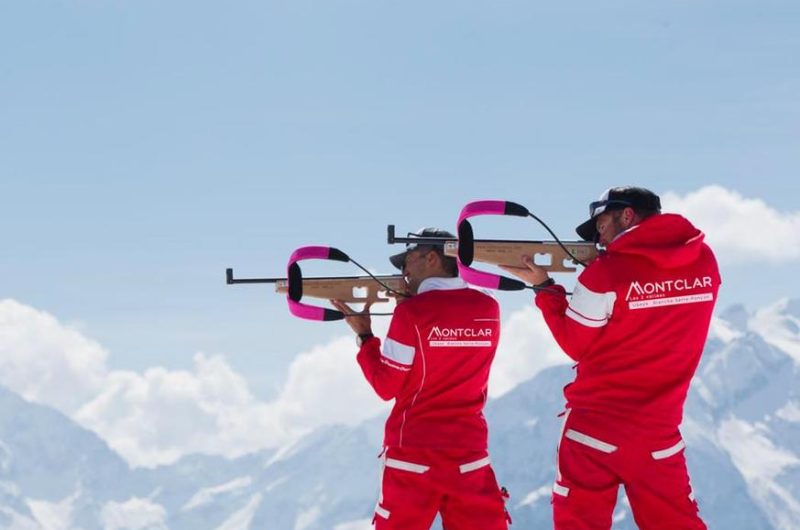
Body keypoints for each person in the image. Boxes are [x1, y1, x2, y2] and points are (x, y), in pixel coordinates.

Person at [500, 187, 720, 530]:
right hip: (659, 432)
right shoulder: (704, 260)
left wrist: (545, 288)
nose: (599, 238)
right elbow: (655, 314)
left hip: (594, 430)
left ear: (626, 215)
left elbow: (575, 343)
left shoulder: (604, 274)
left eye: (601, 225)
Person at [331, 228, 510, 530]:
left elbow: (386, 385)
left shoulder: (411, 314)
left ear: (431, 258)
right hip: (469, 454)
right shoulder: (488, 307)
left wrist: (365, 336)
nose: (403, 273)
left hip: (413, 454)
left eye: (407, 262)